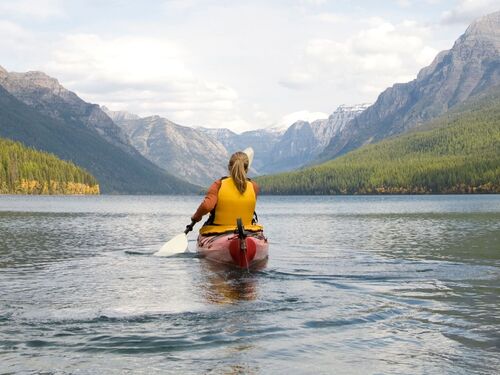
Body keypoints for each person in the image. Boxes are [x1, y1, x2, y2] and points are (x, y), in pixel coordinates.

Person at [189, 151, 263, 236]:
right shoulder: (253, 186)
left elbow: (207, 206)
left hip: (219, 231)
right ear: (247, 169)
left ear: (229, 167)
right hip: (247, 231)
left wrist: (196, 216)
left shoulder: (218, 184)